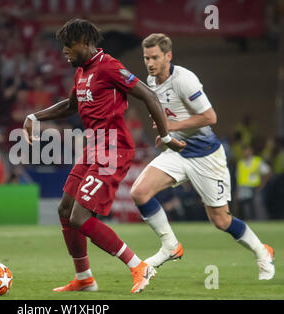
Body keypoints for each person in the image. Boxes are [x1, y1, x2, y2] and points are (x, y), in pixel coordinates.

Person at [23, 19, 186, 293]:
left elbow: (148, 96)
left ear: (85, 42)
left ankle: (138, 265)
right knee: (65, 210)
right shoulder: (82, 71)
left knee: (79, 217)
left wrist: (167, 137)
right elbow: (71, 106)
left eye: (68, 45)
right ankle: (85, 278)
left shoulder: (109, 66)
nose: (64, 51)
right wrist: (34, 116)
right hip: (94, 147)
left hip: (114, 148)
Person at [130, 33, 274, 280]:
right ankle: (170, 246)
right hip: (179, 151)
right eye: (146, 58)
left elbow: (210, 117)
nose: (150, 63)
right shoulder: (152, 81)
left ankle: (262, 253)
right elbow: (167, 114)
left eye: (154, 57)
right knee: (139, 192)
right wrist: (166, 133)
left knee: (221, 220)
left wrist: (172, 127)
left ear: (168, 56)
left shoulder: (184, 80)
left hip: (206, 156)